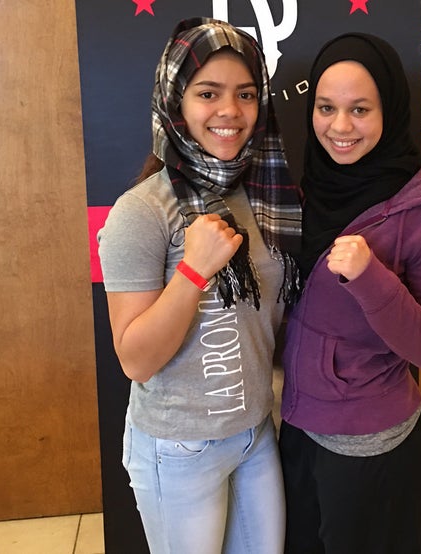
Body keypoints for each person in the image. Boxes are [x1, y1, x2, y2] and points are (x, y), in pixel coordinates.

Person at [97, 17, 301, 554]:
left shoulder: (264, 195)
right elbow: (136, 360)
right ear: (175, 101)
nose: (230, 111)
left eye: (246, 94)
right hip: (178, 446)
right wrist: (192, 272)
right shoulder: (142, 211)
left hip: (254, 433)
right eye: (208, 93)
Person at [278, 32, 421, 554]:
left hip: (368, 444)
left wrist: (370, 278)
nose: (339, 127)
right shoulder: (308, 190)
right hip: (297, 426)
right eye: (326, 107)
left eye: (360, 109)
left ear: (390, 110)